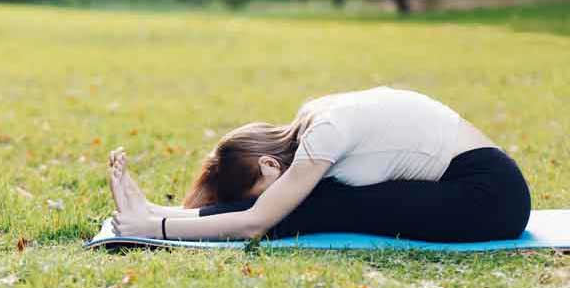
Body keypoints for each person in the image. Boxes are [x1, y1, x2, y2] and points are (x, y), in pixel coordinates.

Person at [107, 86, 531, 243]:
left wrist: (154, 231)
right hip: (482, 187)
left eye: (255, 189)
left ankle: (155, 220)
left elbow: (255, 223)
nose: (262, 196)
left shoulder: (323, 134)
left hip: (487, 198)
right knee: (320, 201)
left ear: (270, 165)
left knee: (317, 205)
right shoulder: (315, 118)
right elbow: (260, 211)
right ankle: (160, 215)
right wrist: (163, 214)